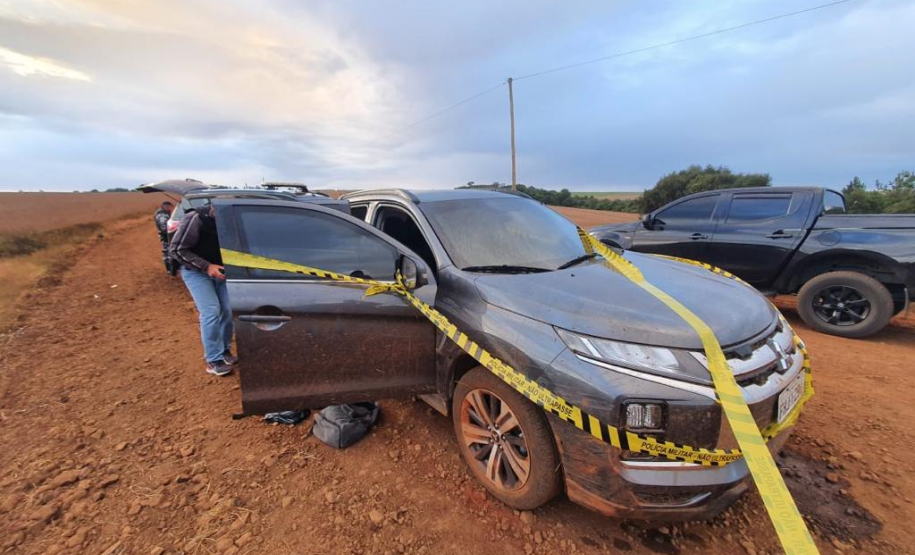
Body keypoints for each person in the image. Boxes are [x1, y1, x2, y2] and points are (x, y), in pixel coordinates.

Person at [169, 203, 237, 376]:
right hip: (196, 273)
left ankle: (224, 350)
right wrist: (206, 266)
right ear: (214, 207)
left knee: (227, 311)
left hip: (221, 272)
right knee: (211, 311)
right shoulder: (196, 219)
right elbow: (176, 250)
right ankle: (213, 359)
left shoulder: (233, 221)